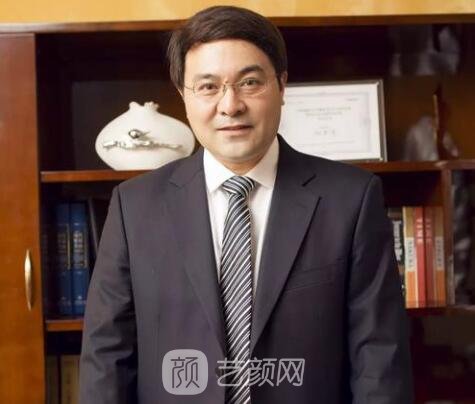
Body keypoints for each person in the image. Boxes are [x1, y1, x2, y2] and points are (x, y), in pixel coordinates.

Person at [79, 5, 413, 404]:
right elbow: (107, 356)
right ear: (183, 96)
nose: (230, 105)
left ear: (282, 86)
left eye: (250, 82)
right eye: (208, 86)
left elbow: (380, 357)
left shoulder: (351, 199)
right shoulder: (134, 207)